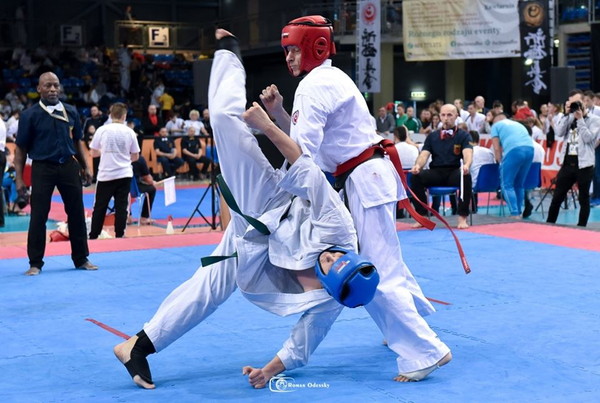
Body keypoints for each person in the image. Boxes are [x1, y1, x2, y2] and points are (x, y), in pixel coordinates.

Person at [114, 30, 380, 390]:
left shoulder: (329, 301)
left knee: (209, 288)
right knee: (227, 122)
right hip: (270, 204)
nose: (330, 257)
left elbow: (303, 343)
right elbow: (306, 168)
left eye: (329, 265)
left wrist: (268, 370)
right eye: (337, 256)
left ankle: (138, 346)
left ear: (331, 287)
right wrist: (268, 123)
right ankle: (228, 50)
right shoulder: (340, 230)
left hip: (258, 254)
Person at [255, 16, 451, 382]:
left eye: (294, 50)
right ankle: (409, 323)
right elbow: (311, 143)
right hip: (367, 176)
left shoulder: (313, 86)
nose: (289, 58)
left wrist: (267, 127)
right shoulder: (332, 77)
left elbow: (303, 155)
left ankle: (424, 350)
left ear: (315, 47)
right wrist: (279, 113)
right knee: (389, 262)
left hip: (363, 178)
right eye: (286, 51)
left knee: (374, 271)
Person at [14, 72, 98, 276]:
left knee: (76, 213)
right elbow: (20, 149)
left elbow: (78, 141)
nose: (52, 89)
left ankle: (81, 258)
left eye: (56, 85)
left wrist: (86, 166)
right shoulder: (29, 115)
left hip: (68, 166)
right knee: (38, 215)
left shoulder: (70, 111)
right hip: (42, 168)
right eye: (48, 86)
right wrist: (19, 179)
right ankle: (35, 262)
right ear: (39, 89)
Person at [409, 104, 473, 229]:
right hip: (436, 172)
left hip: (453, 172)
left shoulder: (463, 135)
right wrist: (417, 166)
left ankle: (462, 217)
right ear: (439, 116)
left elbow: (468, 153)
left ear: (456, 116)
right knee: (415, 177)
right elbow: (424, 155)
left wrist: (466, 165)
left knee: (465, 176)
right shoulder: (432, 136)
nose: (446, 118)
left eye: (449, 115)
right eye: (443, 115)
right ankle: (422, 216)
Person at [547, 90, 600, 226]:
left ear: (584, 102)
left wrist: (580, 119)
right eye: (571, 103)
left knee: (583, 199)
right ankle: (548, 225)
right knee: (557, 197)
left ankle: (581, 227)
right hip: (567, 163)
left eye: (576, 102)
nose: (574, 106)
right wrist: (566, 114)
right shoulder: (569, 117)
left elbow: (588, 138)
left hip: (584, 164)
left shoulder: (595, 120)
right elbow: (559, 133)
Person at [88, 103, 140, 239]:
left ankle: (94, 235)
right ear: (124, 116)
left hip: (106, 174)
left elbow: (93, 153)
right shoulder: (130, 132)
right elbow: (135, 156)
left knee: (100, 206)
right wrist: (124, 159)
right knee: (122, 206)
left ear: (110, 115)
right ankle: (120, 234)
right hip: (124, 173)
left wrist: (105, 152)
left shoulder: (102, 130)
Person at [490, 112, 534, 218]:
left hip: (514, 151)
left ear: (496, 120)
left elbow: (496, 147)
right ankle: (519, 211)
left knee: (506, 184)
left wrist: (499, 161)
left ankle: (514, 213)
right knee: (519, 184)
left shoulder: (495, 126)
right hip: (530, 150)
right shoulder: (518, 124)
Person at [131, 155, 156, 225]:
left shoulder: (120, 157)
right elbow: (148, 178)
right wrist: (152, 182)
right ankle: (144, 217)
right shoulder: (139, 159)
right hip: (134, 188)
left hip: (119, 187)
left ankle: (128, 216)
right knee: (152, 189)